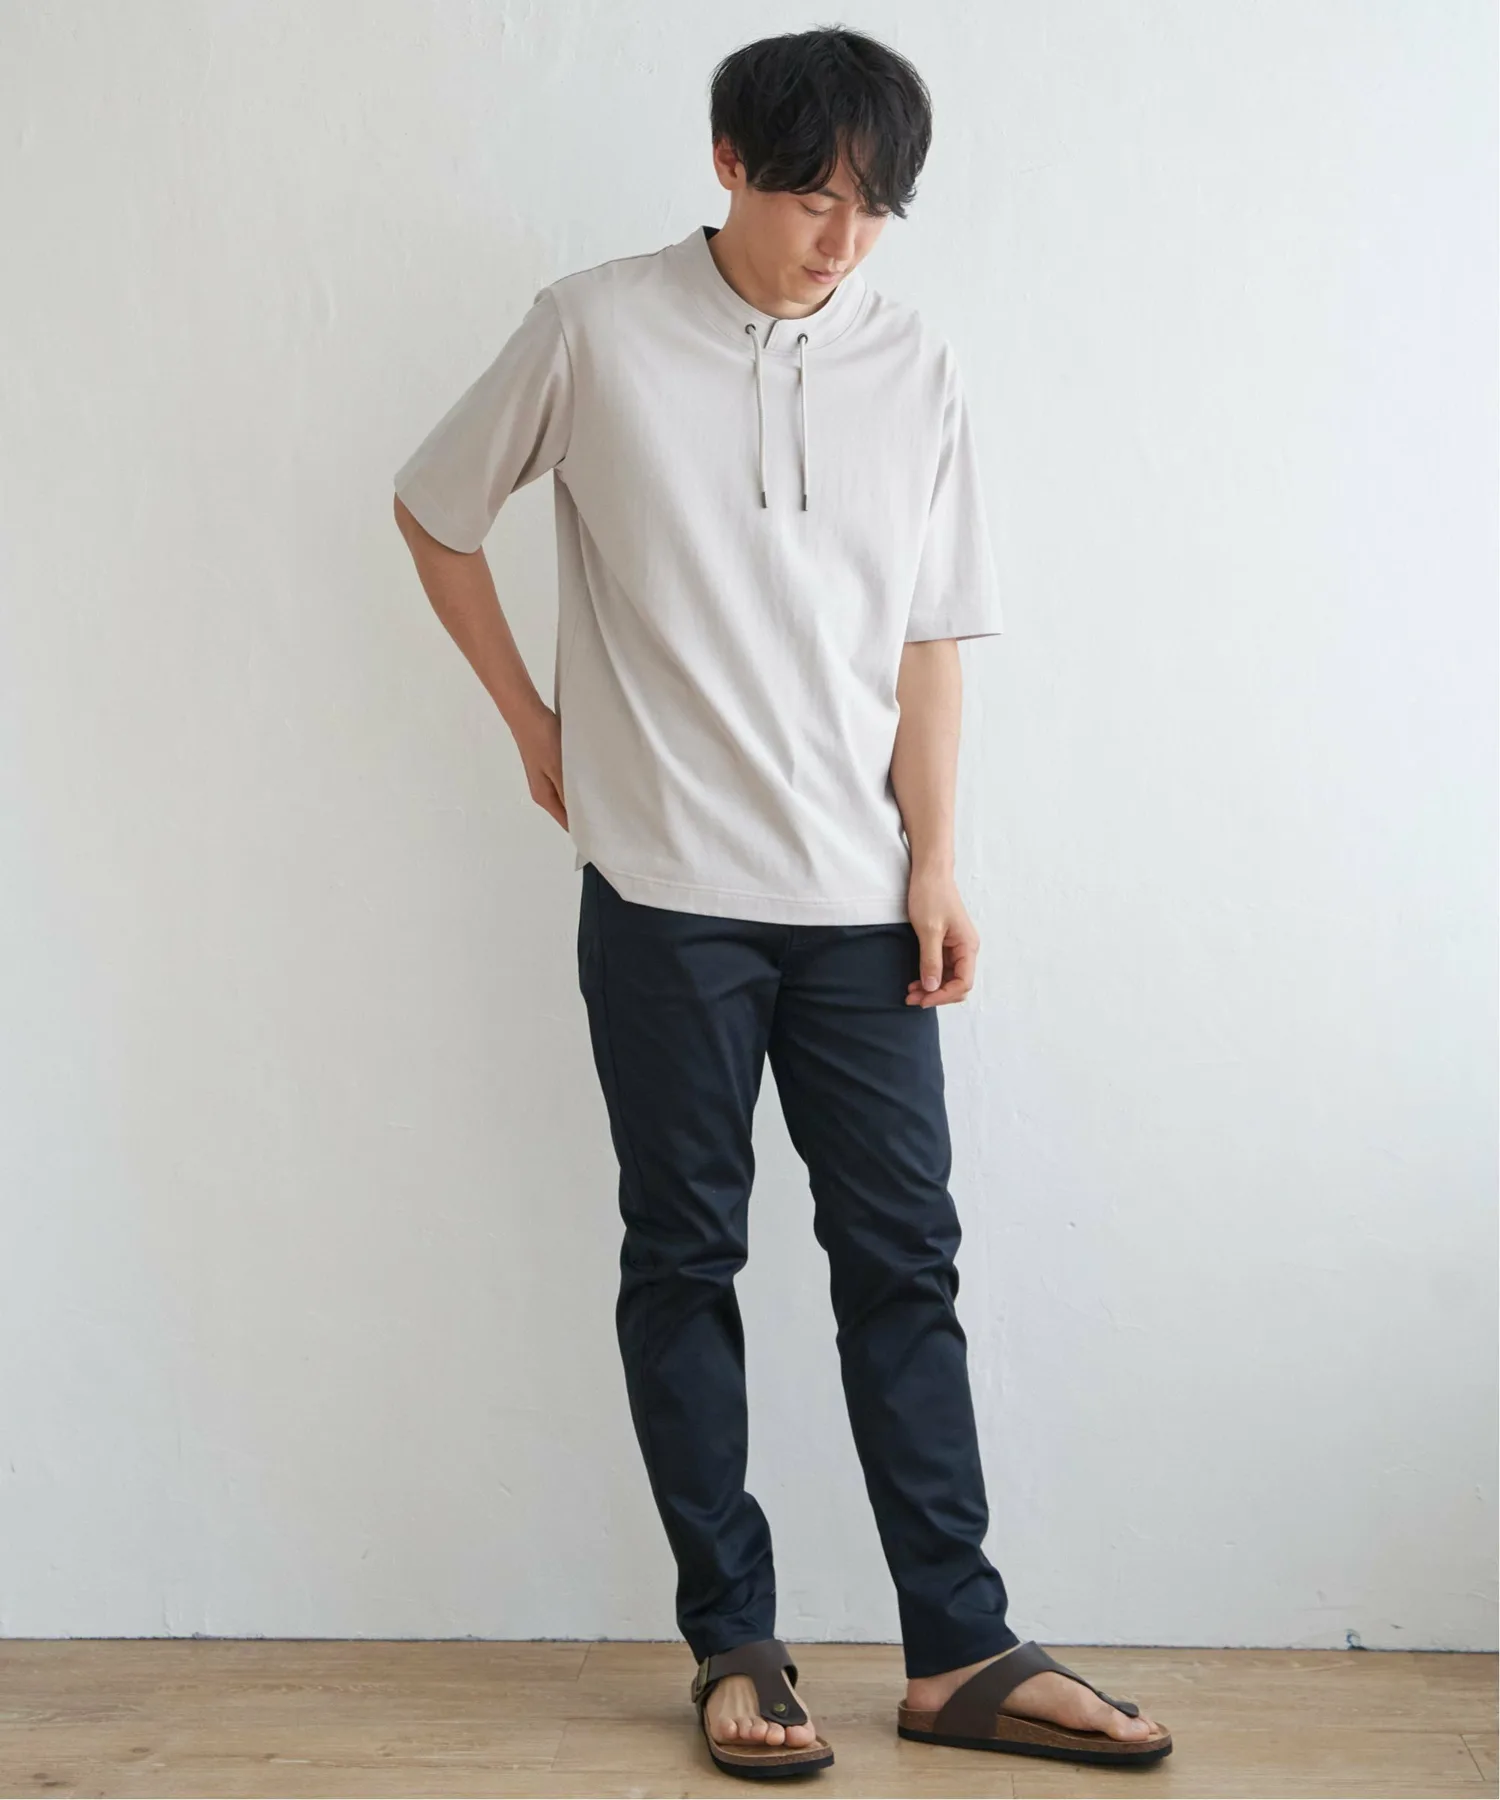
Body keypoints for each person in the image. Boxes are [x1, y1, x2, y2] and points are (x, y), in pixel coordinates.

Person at [392, 24, 1171, 1780]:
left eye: (876, 206)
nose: (843, 238)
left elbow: (929, 637)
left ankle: (960, 1648)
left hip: (859, 897)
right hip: (663, 890)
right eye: (814, 195)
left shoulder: (914, 360)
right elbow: (436, 509)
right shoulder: (592, 327)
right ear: (729, 161)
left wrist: (936, 861)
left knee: (906, 1262)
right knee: (686, 1255)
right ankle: (734, 1643)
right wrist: (533, 726)